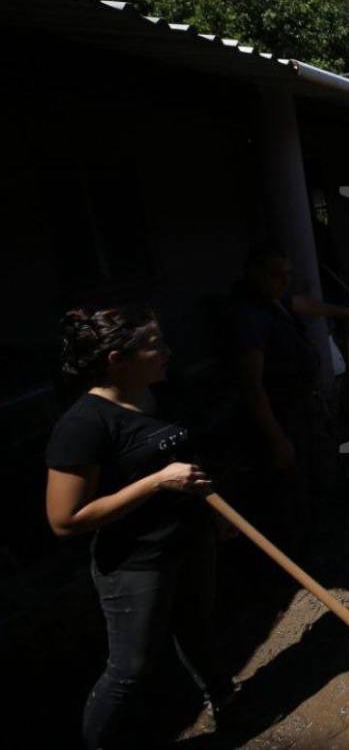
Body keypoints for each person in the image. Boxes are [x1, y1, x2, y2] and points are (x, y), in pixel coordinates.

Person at [46, 306, 235, 748]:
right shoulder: (83, 425)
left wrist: (215, 515)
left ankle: (223, 696)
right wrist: (155, 482)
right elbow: (64, 520)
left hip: (191, 540)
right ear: (117, 359)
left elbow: (191, 462)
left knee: (196, 626)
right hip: (136, 563)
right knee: (130, 670)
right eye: (155, 345)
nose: (167, 351)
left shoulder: (162, 392)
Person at [229, 243, 349, 547]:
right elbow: (252, 386)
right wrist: (276, 437)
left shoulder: (274, 300)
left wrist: (341, 312)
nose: (283, 281)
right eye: (275, 275)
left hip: (302, 404)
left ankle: (318, 532)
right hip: (280, 411)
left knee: (312, 469)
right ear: (253, 273)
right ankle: (296, 549)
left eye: (287, 275)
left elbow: (302, 304)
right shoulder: (247, 316)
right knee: (290, 483)